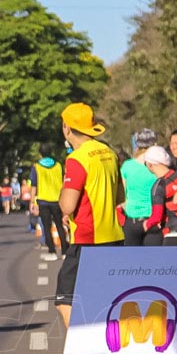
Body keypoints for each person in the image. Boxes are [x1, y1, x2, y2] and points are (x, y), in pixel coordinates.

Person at [56, 102, 124, 327]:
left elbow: (67, 205)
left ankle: (76, 352)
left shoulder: (77, 158)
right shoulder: (109, 153)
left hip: (87, 238)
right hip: (114, 238)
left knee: (65, 298)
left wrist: (66, 205)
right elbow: (119, 197)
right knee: (104, 300)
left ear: (67, 128)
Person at [118, 129, 163, 247]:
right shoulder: (158, 166)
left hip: (132, 218)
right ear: (155, 144)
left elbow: (122, 195)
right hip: (154, 219)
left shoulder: (127, 166)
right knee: (153, 262)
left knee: (131, 261)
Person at [32, 147, 67, 260]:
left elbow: (34, 186)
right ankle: (64, 251)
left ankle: (52, 251)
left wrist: (33, 202)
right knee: (59, 226)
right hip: (57, 199)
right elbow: (64, 180)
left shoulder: (36, 167)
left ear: (40, 154)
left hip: (43, 200)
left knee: (46, 227)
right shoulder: (58, 165)